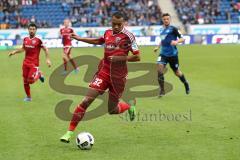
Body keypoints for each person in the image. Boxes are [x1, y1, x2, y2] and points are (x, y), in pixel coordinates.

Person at [60, 12, 140, 143]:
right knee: (86, 101)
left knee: (112, 110)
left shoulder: (129, 37)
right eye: (114, 24)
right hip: (103, 73)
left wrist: (120, 58)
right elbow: (98, 41)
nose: (116, 27)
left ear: (123, 23)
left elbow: (137, 56)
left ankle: (129, 106)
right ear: (111, 22)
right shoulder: (107, 32)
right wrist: (80, 39)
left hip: (118, 78)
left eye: (119, 24)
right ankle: (68, 133)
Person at [9, 23, 51, 101]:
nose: (32, 31)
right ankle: (28, 97)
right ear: (28, 30)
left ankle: (39, 74)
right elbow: (23, 49)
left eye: (33, 29)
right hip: (25, 63)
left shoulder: (38, 40)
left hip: (34, 64)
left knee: (30, 81)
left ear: (36, 30)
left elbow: (45, 49)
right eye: (30, 29)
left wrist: (47, 59)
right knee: (25, 81)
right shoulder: (25, 39)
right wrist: (15, 52)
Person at [154, 13, 190, 96]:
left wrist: (176, 41)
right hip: (163, 54)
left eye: (167, 19)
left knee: (177, 72)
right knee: (159, 71)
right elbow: (163, 40)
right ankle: (162, 90)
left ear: (170, 20)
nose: (166, 20)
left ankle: (185, 83)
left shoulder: (173, 29)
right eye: (164, 19)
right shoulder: (160, 30)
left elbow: (183, 38)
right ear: (162, 20)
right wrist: (157, 47)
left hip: (173, 55)